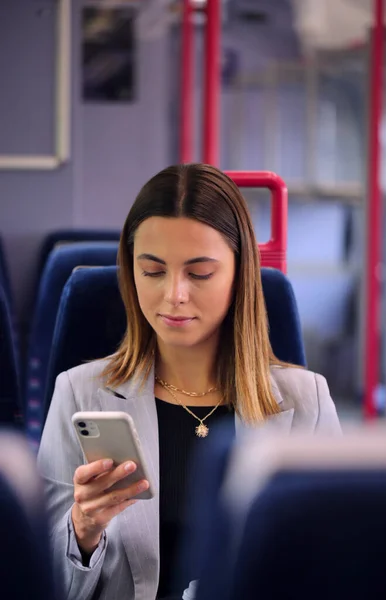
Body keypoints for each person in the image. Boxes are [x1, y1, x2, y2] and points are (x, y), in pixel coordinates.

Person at [37, 163, 341, 600]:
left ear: (239, 274)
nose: (174, 294)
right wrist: (82, 531)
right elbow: (40, 583)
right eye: (153, 271)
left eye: (199, 273)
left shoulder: (307, 402)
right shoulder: (80, 392)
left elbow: (331, 566)